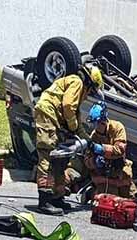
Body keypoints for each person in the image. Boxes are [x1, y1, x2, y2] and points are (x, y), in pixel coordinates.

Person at [34, 65, 104, 216]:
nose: (89, 95)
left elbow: (76, 124)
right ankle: (44, 200)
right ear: (88, 83)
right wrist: (72, 127)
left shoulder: (75, 100)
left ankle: (57, 197)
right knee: (47, 155)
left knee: (60, 159)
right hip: (47, 115)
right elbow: (67, 106)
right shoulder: (77, 82)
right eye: (91, 91)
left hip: (56, 119)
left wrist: (88, 142)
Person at [83, 102, 137, 199]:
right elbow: (87, 160)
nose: (96, 126)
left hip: (120, 168)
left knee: (130, 198)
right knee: (109, 198)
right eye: (94, 123)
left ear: (104, 120)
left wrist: (102, 149)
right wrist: (95, 162)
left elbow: (120, 150)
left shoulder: (117, 127)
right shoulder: (94, 136)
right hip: (104, 174)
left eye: (98, 123)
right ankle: (91, 193)